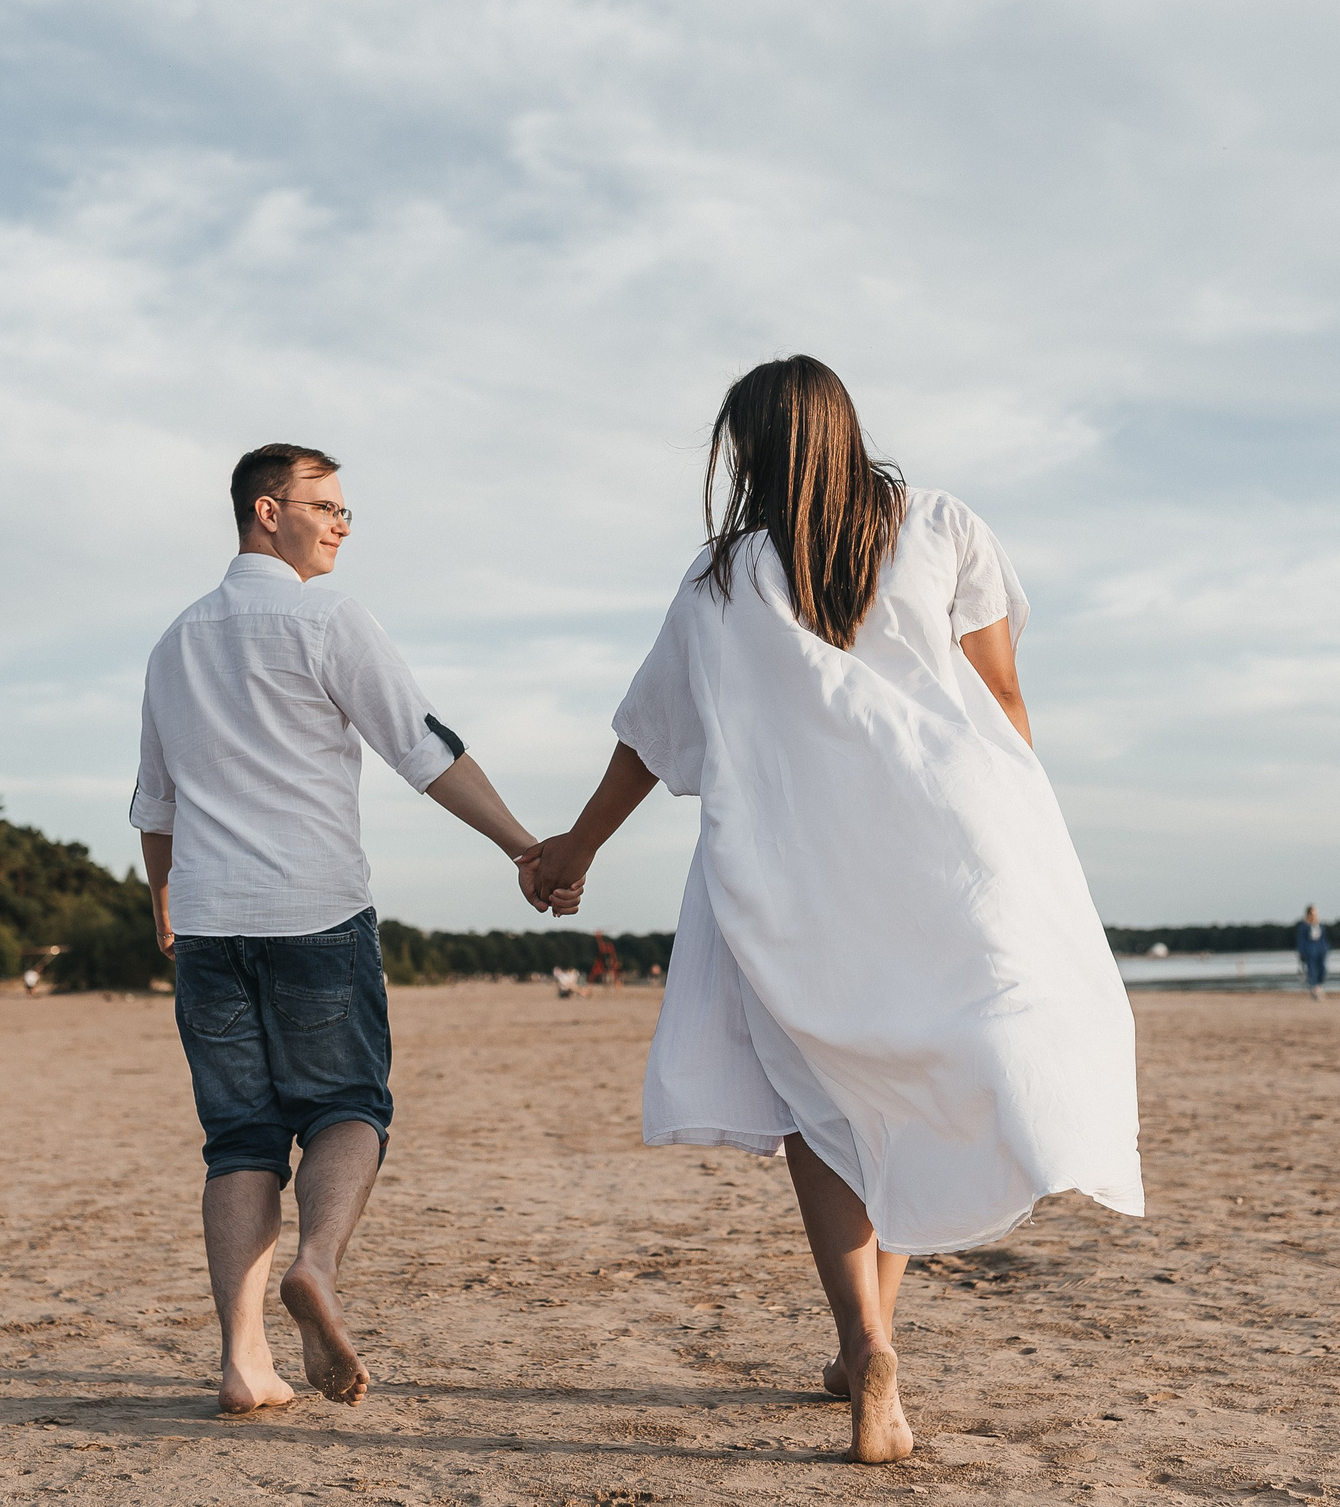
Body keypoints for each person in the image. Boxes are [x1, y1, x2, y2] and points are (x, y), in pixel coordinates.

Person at [522, 359, 1142, 1465]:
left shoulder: (719, 579)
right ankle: (878, 1338)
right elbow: (1001, 698)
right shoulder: (942, 524)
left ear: (748, 449)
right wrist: (1026, 846)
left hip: (793, 864)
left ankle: (864, 1344)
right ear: (845, 430)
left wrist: (576, 845)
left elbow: (651, 735)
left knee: (823, 1096)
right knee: (904, 1084)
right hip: (948, 847)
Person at [134, 442, 568, 1416]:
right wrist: (522, 845)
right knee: (347, 1109)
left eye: (344, 509)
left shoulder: (176, 639)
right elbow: (421, 746)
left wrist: (161, 901)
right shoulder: (327, 614)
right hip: (313, 911)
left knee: (238, 1140)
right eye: (322, 505)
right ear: (264, 510)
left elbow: (154, 802)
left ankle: (244, 1362)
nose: (339, 523)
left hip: (206, 924)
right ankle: (317, 1264)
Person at [1293, 906, 1331, 1001]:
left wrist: (1326, 949)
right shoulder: (1304, 926)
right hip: (1309, 951)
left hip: (1320, 951)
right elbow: (1301, 940)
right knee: (1312, 970)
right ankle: (1314, 989)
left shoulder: (1320, 925)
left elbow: (1324, 939)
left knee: (1323, 969)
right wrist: (1301, 952)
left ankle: (1318, 986)